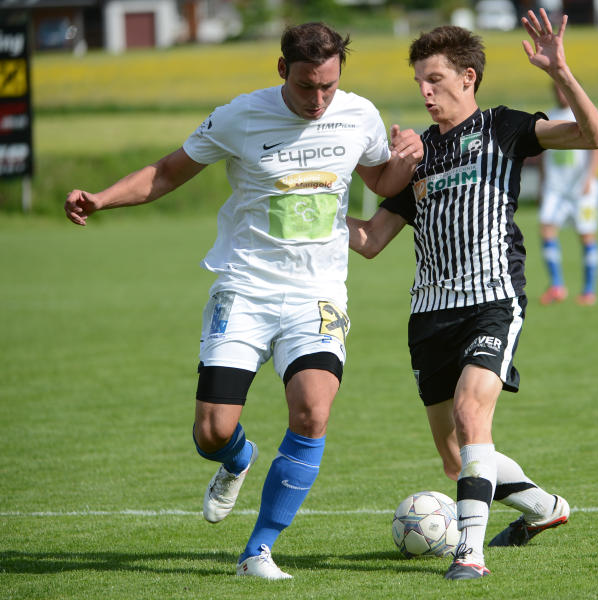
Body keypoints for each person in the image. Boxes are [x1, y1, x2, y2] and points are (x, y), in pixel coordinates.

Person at [64, 22, 422, 581]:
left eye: (328, 86)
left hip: (319, 293)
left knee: (313, 410)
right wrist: (102, 198)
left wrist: (407, 159)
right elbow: (167, 172)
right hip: (245, 287)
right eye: (306, 86)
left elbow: (380, 180)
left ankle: (258, 550)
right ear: (282, 70)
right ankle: (238, 457)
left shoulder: (360, 115)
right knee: (212, 431)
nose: (318, 99)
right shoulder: (241, 116)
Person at [347, 9, 598, 580]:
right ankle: (545, 508)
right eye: (419, 81)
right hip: (428, 313)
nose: (424, 91)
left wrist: (560, 72)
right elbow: (369, 241)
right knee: (455, 459)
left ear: (468, 77)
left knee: (472, 415)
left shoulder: (504, 127)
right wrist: (313, 204)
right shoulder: (418, 156)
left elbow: (595, 136)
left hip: (492, 298)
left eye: (435, 79)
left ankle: (470, 553)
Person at [538, 81, 598, 306]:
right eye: (557, 89)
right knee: (546, 230)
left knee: (586, 235)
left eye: (563, 89)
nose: (561, 94)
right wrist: (542, 183)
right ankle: (557, 286)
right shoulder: (548, 116)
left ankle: (589, 291)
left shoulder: (584, 114)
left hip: (581, 189)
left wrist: (590, 178)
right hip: (555, 189)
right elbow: (542, 154)